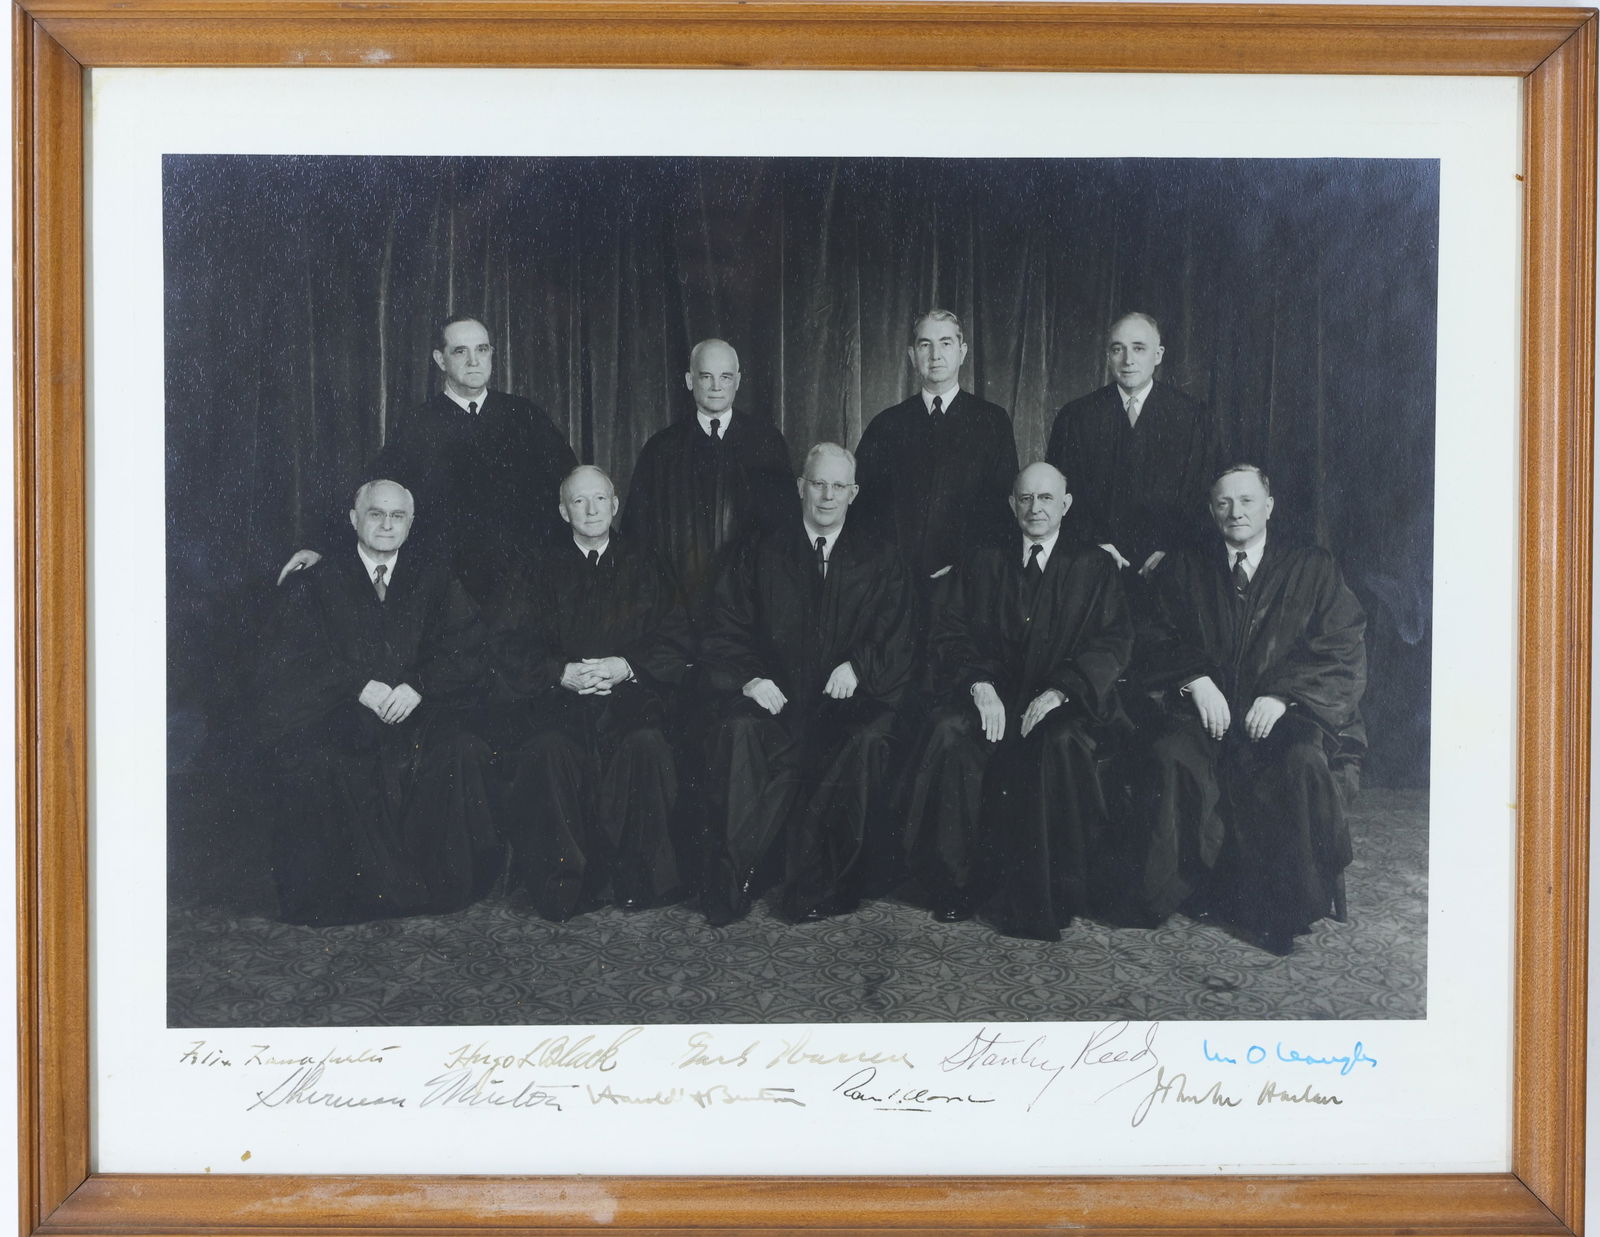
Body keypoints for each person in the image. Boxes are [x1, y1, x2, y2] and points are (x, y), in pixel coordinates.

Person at [1128, 463, 1367, 955]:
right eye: (1224, 503)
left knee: (1299, 762)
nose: (1235, 512)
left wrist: (1283, 696)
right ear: (1211, 509)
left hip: (1286, 715)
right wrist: (1194, 681)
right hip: (1206, 715)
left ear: (1269, 506)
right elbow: (1152, 635)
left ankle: (1283, 909)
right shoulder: (1185, 567)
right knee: (1170, 753)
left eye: (1247, 501)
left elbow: (1342, 647)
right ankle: (1186, 891)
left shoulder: (1312, 567)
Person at [901, 463, 1132, 937]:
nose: (1035, 509)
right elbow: (949, 632)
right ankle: (957, 884)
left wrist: (1062, 689)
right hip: (991, 697)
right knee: (949, 732)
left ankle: (1051, 895)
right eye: (1026, 498)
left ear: (1066, 504)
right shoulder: (982, 560)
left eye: (1046, 499)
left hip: (1065, 702)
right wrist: (979, 684)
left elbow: (1113, 642)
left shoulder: (1094, 565)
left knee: (1060, 744)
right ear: (1012, 504)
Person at [257, 480, 499, 926]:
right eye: (376, 514)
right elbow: (291, 659)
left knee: (461, 750)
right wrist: (356, 687)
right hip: (341, 713)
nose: (387, 525)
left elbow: (469, 647)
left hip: (417, 712)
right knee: (322, 761)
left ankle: (437, 889)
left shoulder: (435, 578)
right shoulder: (315, 582)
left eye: (397, 516)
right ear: (355, 519)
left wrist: (418, 686)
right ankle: (357, 897)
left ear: (410, 524)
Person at [698, 443, 915, 926]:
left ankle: (818, 888)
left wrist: (858, 667)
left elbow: (896, 636)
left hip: (845, 706)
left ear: (853, 493)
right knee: (740, 732)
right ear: (801, 487)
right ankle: (736, 880)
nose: (827, 496)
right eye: (818, 484)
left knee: (864, 741)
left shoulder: (880, 558)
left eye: (838, 486)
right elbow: (724, 629)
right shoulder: (760, 551)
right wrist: (751, 679)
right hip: (776, 702)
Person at [488, 466, 692, 920]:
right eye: (579, 501)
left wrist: (627, 666)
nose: (591, 509)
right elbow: (507, 642)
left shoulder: (646, 562)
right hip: (559, 701)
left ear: (615, 504)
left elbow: (676, 635)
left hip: (629, 699)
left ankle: (640, 882)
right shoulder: (536, 566)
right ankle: (567, 888)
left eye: (600, 499)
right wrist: (560, 672)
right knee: (547, 750)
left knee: (647, 744)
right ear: (564, 511)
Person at [278, 315, 578, 605]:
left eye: (482, 349)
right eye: (460, 351)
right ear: (440, 359)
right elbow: (372, 491)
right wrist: (319, 547)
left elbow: (574, 485)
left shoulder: (523, 415)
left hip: (523, 586)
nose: (474, 361)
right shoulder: (418, 425)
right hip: (453, 589)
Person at [623, 338, 794, 629]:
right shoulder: (662, 449)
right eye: (706, 377)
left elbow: (784, 533)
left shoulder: (766, 443)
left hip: (748, 612)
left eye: (725, 377)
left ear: (737, 381)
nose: (716, 386)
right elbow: (637, 535)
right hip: (676, 611)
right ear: (690, 381)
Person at [1045, 312, 1221, 585]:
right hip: (1093, 565)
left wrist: (1173, 552)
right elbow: (1058, 494)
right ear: (1107, 356)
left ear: (1158, 355)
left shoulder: (1193, 417)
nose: (1128, 360)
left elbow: (1206, 494)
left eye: (1139, 348)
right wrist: (1094, 546)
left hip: (1171, 568)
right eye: (1118, 349)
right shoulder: (1076, 416)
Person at [853, 309, 1019, 591]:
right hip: (894, 584)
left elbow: (1003, 509)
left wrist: (967, 564)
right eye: (925, 344)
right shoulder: (887, 424)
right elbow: (862, 506)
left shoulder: (992, 421)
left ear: (962, 352)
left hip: (967, 583)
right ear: (911, 355)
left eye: (945, 343)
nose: (935, 355)